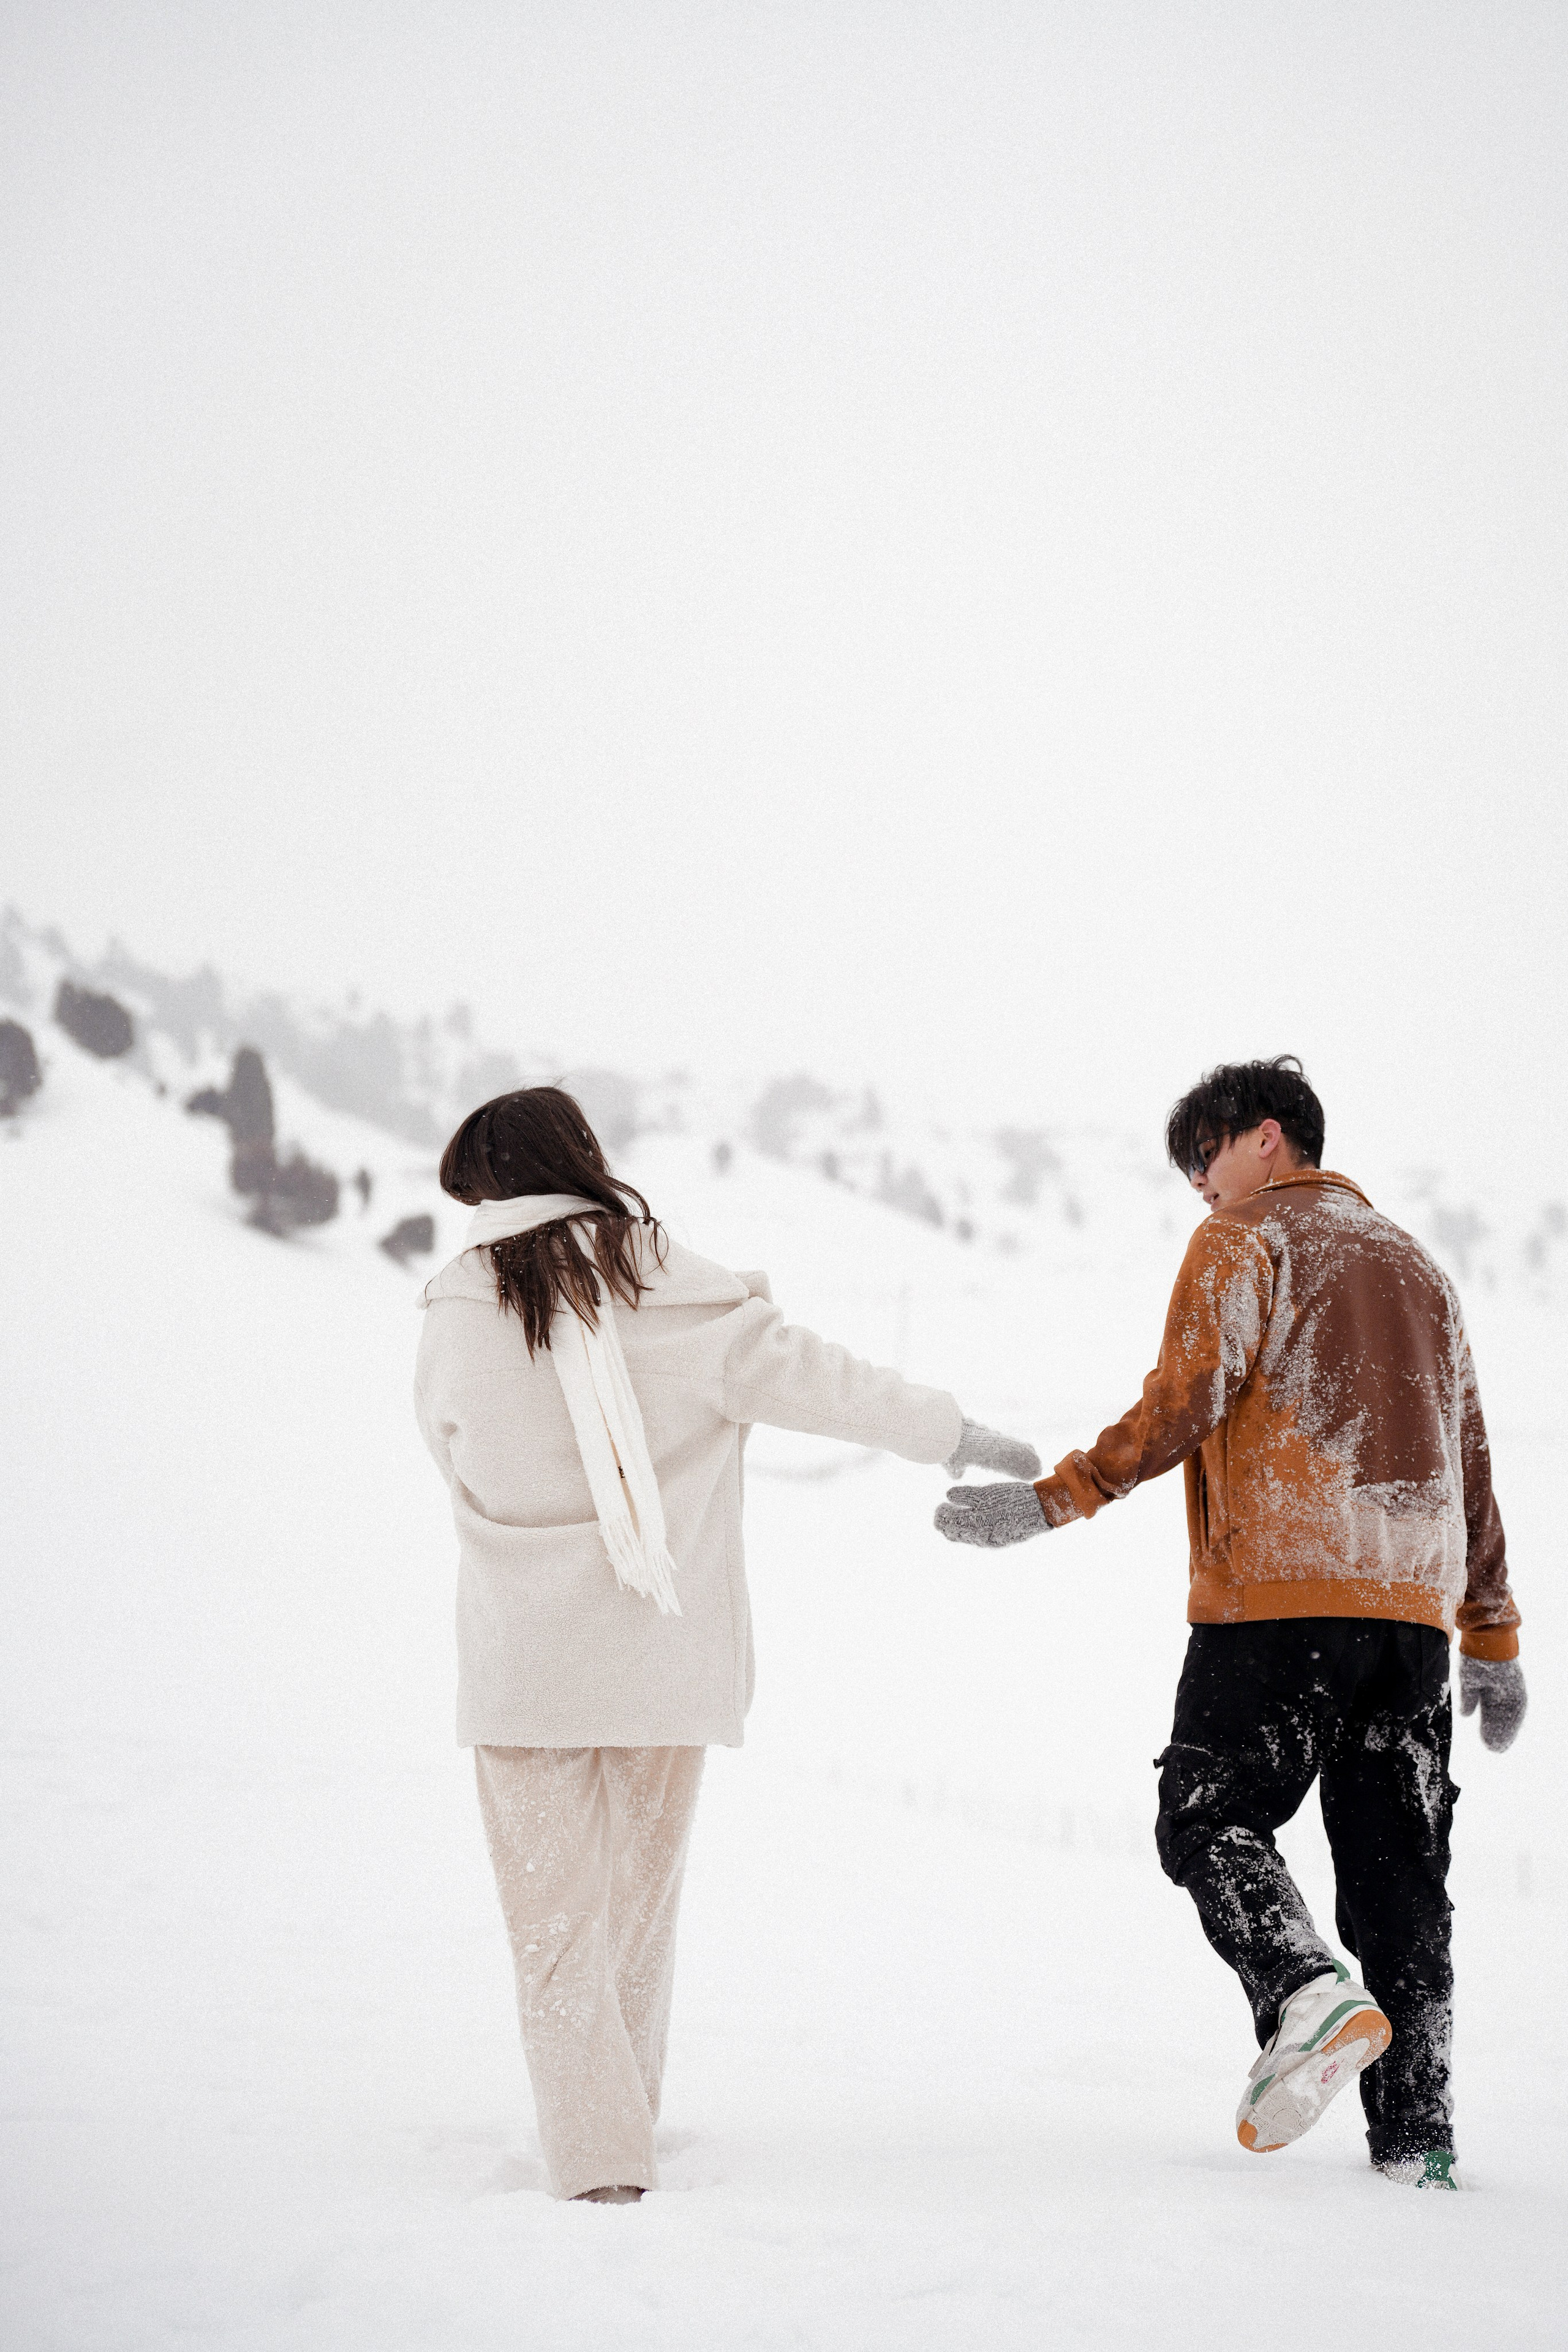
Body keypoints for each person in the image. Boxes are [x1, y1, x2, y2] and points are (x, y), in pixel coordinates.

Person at [415, 1085, 1037, 2204]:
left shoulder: (460, 1309)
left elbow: (451, 1448)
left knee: (553, 1929)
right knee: (638, 1919)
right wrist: (955, 1432)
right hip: (661, 1658)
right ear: (582, 1158)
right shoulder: (674, 1292)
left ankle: (600, 2160)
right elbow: (827, 1383)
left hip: (527, 1664)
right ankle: (622, 2135)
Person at [936, 1056, 1525, 2192]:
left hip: (1282, 1594)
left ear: (1267, 1136)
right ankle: (1419, 2149)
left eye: (1204, 1156)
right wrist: (1490, 1633)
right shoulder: (1422, 1269)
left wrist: (1060, 1496)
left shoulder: (1246, 1237)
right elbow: (1471, 1460)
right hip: (1410, 1621)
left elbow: (1188, 1394)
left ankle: (1303, 1991)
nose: (1199, 1184)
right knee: (1401, 1882)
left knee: (1206, 1814)